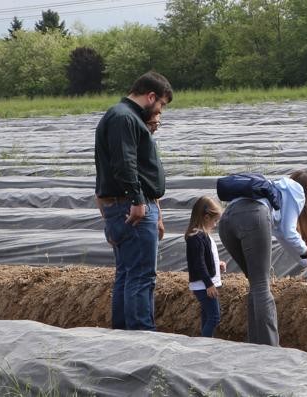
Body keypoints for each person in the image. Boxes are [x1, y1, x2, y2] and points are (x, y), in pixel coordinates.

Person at [94, 71, 172, 331]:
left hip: (125, 206)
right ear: (150, 96)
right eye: (161, 104)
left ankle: (125, 338)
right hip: (132, 207)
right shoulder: (124, 118)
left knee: (128, 274)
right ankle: (141, 339)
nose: (159, 110)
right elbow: (124, 164)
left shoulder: (122, 117)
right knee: (141, 277)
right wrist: (139, 201)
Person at [218, 170, 307, 346]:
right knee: (262, 286)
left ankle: (255, 342)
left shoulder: (275, 189)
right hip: (253, 217)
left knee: (255, 283)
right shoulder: (296, 190)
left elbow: (284, 238)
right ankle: (270, 347)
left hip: (226, 222)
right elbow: (289, 232)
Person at [184, 196, 226, 337]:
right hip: (203, 285)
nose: (215, 225)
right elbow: (198, 263)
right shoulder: (196, 237)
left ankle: (205, 342)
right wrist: (209, 284)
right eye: (214, 221)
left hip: (204, 283)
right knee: (214, 317)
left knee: (207, 316)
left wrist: (217, 264)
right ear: (206, 217)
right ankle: (205, 343)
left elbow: (205, 258)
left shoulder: (203, 235)